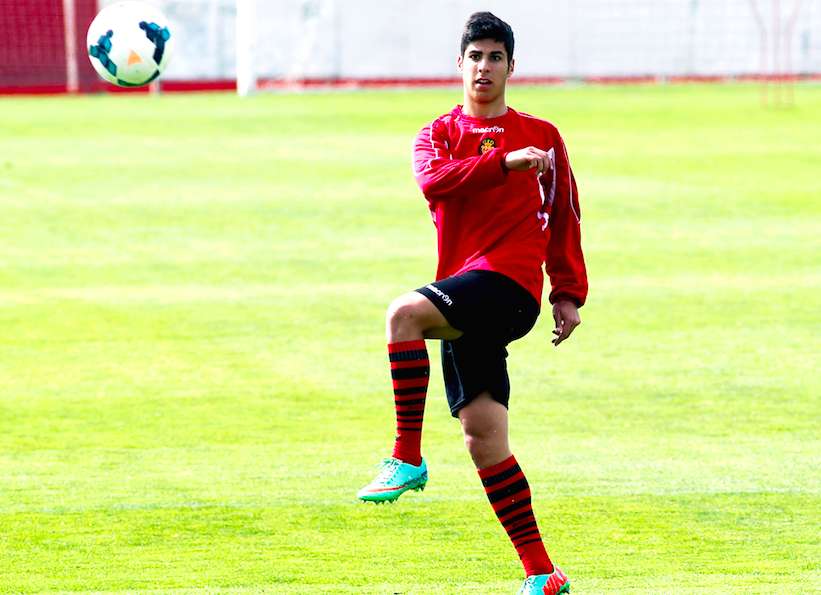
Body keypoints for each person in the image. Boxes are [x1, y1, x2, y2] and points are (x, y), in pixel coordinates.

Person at [357, 11, 587, 595]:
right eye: (476, 57)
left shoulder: (543, 136)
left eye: (496, 57)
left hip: (508, 287)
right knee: (485, 439)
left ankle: (406, 456)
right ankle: (543, 573)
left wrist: (566, 292)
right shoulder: (435, 134)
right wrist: (500, 163)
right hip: (464, 290)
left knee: (403, 315)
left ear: (512, 66)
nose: (485, 67)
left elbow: (564, 215)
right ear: (458, 65)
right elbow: (435, 183)